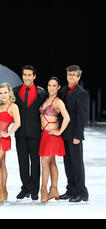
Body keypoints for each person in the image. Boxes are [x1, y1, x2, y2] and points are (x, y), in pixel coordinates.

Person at [13, 65, 48, 201]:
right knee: (22, 162)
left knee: (35, 162)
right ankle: (25, 188)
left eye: (29, 75)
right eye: (25, 75)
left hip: (35, 133)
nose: (27, 77)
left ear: (34, 77)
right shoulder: (15, 92)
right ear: (22, 76)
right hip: (20, 132)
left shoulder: (42, 94)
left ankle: (34, 189)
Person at [60, 65, 89, 203]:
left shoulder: (81, 93)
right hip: (64, 134)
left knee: (77, 164)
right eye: (69, 74)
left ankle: (81, 192)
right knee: (67, 164)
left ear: (78, 77)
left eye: (74, 75)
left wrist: (78, 135)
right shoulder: (64, 90)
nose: (71, 77)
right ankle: (71, 190)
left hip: (74, 135)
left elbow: (82, 117)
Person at [39, 77, 70, 203]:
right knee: (51, 162)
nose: (51, 87)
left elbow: (67, 118)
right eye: (49, 85)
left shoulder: (58, 102)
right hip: (44, 135)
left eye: (54, 85)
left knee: (45, 162)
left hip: (52, 135)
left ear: (58, 87)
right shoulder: (46, 99)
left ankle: (44, 190)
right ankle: (54, 189)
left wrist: (59, 131)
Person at [0, 83, 21, 203]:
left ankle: (0, 190)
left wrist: (8, 134)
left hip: (3, 139)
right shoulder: (0, 106)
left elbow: (18, 123)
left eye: (5, 93)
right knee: (1, 165)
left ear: (10, 93)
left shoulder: (13, 106)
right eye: (1, 93)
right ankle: (3, 191)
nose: (3, 95)